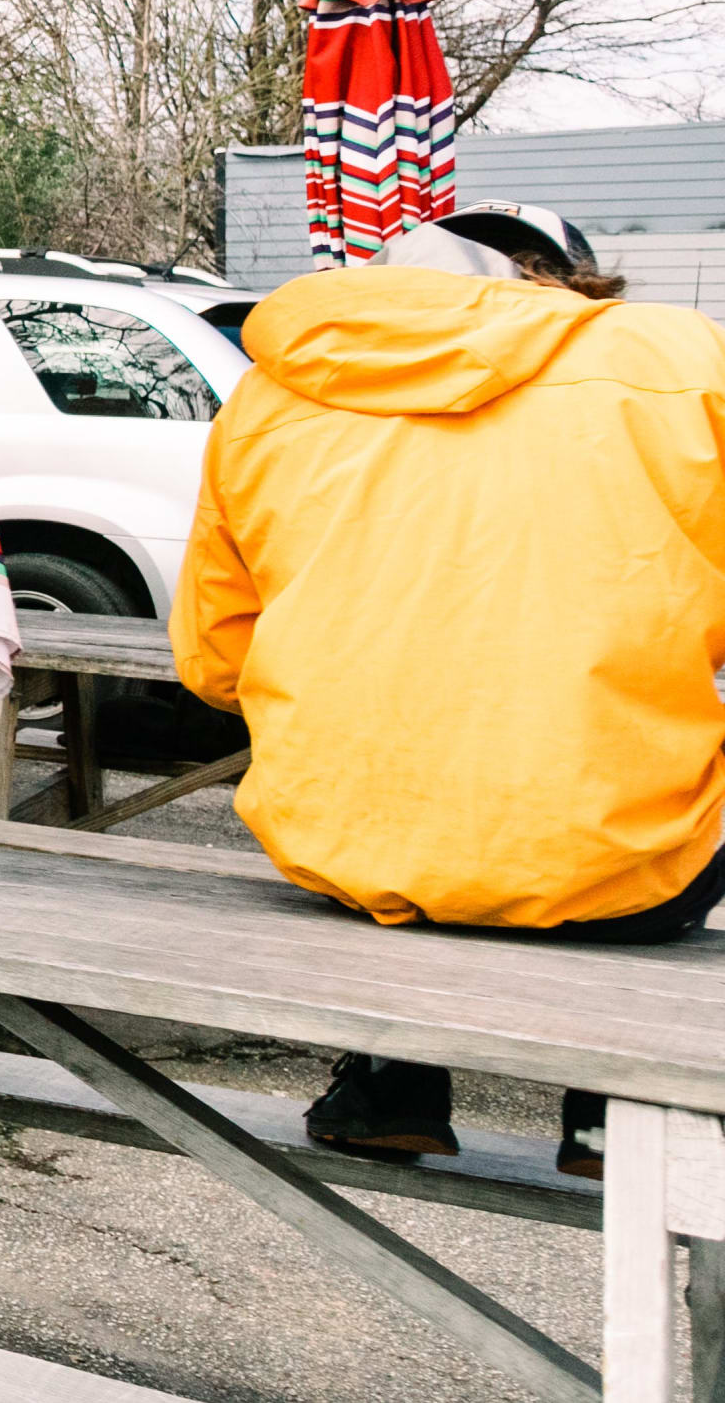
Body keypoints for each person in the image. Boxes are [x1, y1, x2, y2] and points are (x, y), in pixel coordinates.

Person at [172, 203, 725, 1178]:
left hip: (342, 850)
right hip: (625, 877)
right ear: (567, 281)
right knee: (611, 802)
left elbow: (214, 665)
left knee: (422, 820)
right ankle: (606, 1108)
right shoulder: (679, 359)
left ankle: (391, 1085)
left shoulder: (274, 390)